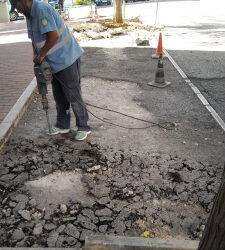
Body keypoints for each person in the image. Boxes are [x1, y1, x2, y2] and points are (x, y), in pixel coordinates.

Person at [10, 0, 91, 141]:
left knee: (73, 95)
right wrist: (36, 55)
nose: (17, 10)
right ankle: (62, 124)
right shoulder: (29, 15)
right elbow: (34, 40)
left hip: (67, 58)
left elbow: (54, 35)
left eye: (17, 6)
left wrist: (41, 55)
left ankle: (84, 126)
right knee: (59, 95)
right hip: (54, 62)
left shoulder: (41, 9)